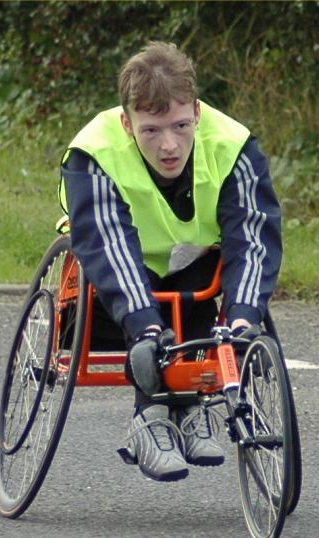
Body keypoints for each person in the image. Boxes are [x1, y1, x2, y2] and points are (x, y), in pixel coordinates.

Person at [58, 41, 282, 482]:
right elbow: (107, 243)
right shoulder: (93, 153)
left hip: (194, 276)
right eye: (152, 131)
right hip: (112, 286)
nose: (169, 146)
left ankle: (190, 405)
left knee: (214, 282)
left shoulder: (233, 146)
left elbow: (253, 238)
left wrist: (243, 320)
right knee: (141, 297)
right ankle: (152, 417)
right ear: (127, 123)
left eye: (181, 126)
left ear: (197, 112)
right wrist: (143, 325)